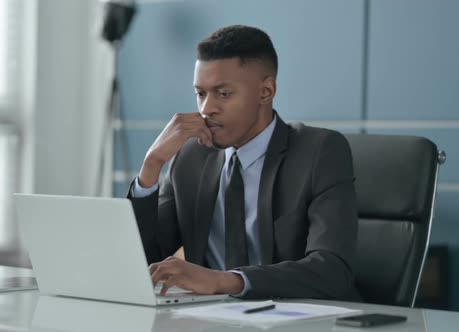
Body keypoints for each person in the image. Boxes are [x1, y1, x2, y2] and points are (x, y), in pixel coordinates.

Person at [127, 25, 361, 301]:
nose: (206, 109)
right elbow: (143, 260)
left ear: (266, 91)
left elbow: (332, 271)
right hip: (210, 318)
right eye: (201, 94)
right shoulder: (191, 156)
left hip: (298, 317)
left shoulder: (319, 152)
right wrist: (151, 166)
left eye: (223, 94)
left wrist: (226, 281)